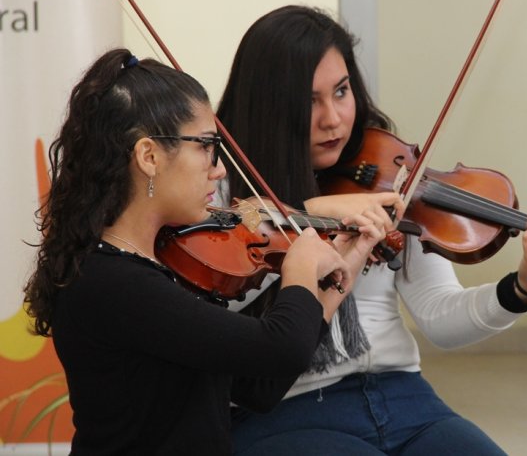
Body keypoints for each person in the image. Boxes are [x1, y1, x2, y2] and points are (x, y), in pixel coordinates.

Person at [217, 5, 527, 456]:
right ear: (267, 105)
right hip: (283, 411)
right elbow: (208, 308)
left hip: (403, 397)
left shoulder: (385, 171)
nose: (333, 119)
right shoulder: (222, 187)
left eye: (342, 91)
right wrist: (308, 213)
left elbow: (439, 315)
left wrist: (525, 287)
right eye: (309, 101)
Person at [22, 48, 387, 455]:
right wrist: (299, 264)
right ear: (149, 156)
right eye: (206, 146)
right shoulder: (110, 282)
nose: (219, 169)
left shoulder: (154, 267)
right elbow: (280, 348)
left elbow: (257, 388)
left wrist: (339, 277)